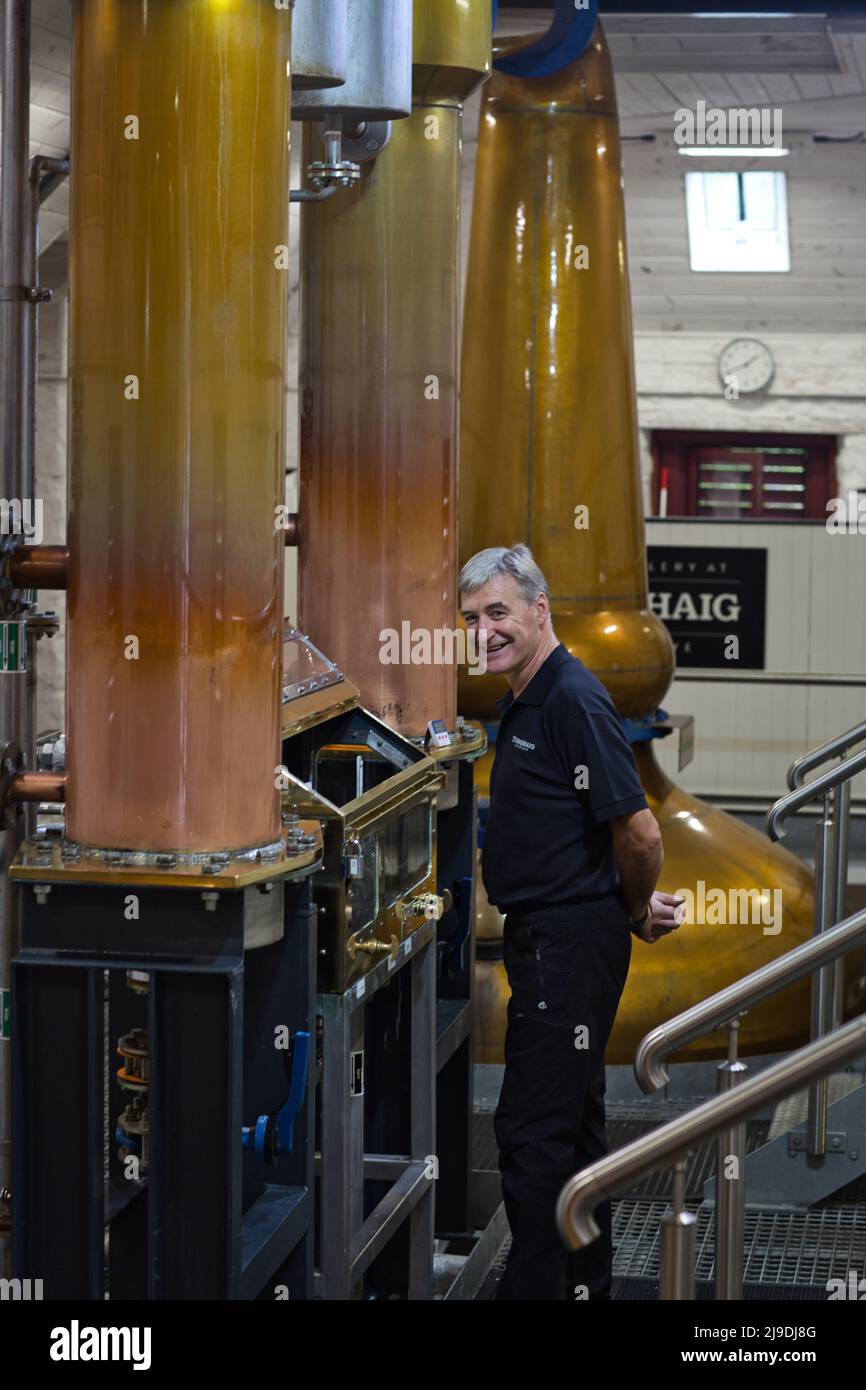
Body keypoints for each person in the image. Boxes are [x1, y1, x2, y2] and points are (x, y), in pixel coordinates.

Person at [459, 542, 684, 1301]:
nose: (484, 630)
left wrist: (621, 902)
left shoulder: (572, 698)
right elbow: (589, 830)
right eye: (472, 618)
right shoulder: (526, 695)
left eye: (498, 613)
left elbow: (640, 831)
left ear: (538, 609)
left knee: (531, 1135)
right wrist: (610, 891)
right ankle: (587, 1285)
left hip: (567, 946)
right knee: (577, 1129)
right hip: (558, 933)